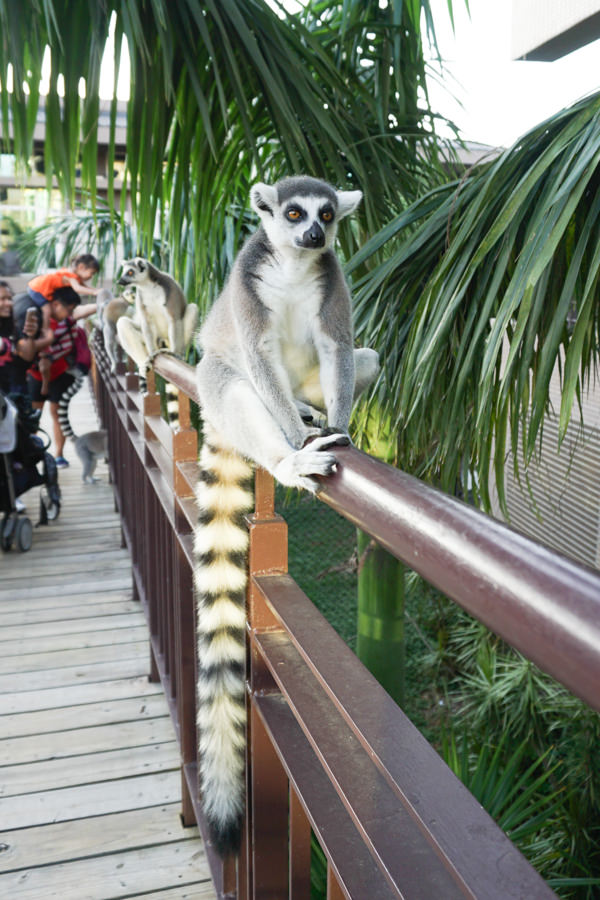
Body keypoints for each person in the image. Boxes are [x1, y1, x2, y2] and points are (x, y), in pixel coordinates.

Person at [26, 286, 96, 467]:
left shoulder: (67, 322)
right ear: (55, 304)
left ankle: (59, 455)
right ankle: (32, 457)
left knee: (57, 413)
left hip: (60, 373)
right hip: (36, 375)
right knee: (34, 416)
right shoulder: (38, 320)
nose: (71, 313)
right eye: (69, 309)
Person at [27, 254, 100, 392]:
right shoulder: (69, 277)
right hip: (36, 289)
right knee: (46, 310)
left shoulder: (73, 279)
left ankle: (45, 385)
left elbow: (81, 289)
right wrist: (96, 292)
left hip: (52, 365)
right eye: (91, 273)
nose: (91, 277)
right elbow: (79, 289)